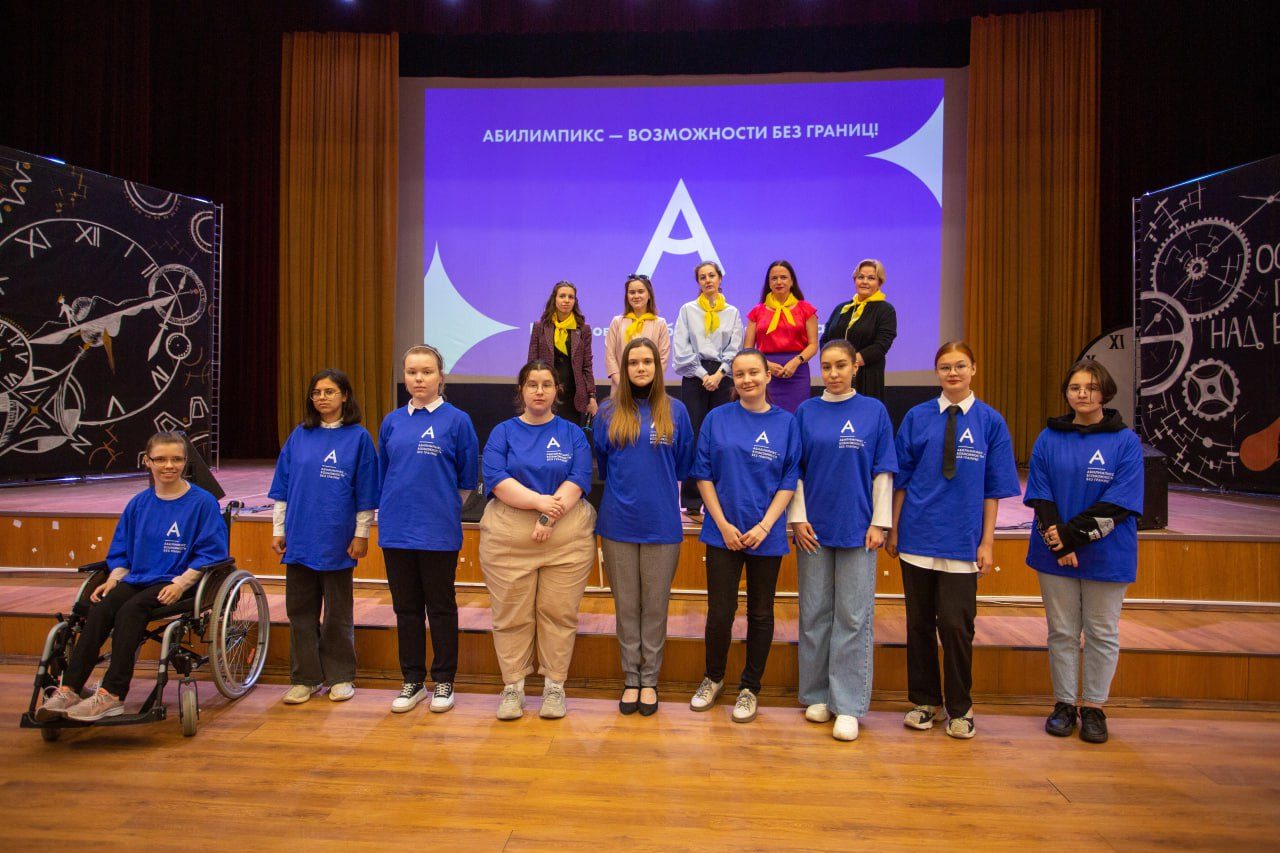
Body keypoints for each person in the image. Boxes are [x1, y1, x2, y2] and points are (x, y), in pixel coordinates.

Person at [37, 433, 228, 722]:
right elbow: (122, 549)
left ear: (186, 462)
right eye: (161, 459)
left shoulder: (202, 503)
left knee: (130, 611)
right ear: (147, 461)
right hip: (138, 578)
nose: (168, 465)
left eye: (176, 459)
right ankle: (70, 688)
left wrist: (181, 583)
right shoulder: (139, 504)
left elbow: (212, 553)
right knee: (101, 610)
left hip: (178, 581)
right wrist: (115, 578)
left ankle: (112, 695)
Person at [887, 341, 1019, 739]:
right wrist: (894, 528)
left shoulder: (991, 422)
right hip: (917, 536)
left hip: (962, 539)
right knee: (919, 624)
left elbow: (994, 489)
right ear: (936, 372)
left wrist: (988, 543)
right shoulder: (916, 416)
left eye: (961, 365)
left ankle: (961, 707)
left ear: (974, 369)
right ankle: (925, 701)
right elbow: (902, 478)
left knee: (958, 627)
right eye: (945, 367)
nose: (953, 373)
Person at [1025, 360, 1143, 744]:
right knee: (1060, 633)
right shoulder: (1049, 437)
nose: (1082, 394)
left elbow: (1120, 502)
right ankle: (1063, 705)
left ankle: (1093, 707)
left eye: (1090, 388)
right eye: (1075, 387)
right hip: (1054, 551)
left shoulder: (1125, 441)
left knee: (1101, 633)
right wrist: (1058, 542)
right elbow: (1040, 494)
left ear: (1104, 393)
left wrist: (1071, 538)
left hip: (1106, 554)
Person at [789, 340, 897, 741]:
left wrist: (880, 523)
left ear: (855, 366)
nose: (833, 373)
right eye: (827, 366)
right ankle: (817, 695)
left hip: (858, 527)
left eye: (841, 366)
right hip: (814, 528)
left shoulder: (874, 412)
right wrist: (797, 518)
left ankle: (848, 704)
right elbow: (794, 470)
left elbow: (883, 470)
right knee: (815, 612)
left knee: (853, 616)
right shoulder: (806, 411)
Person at [479, 360, 596, 721]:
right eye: (532, 385)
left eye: (547, 384)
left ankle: (554, 687)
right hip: (509, 536)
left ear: (557, 391)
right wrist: (537, 503)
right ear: (521, 391)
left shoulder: (572, 433)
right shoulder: (503, 432)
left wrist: (548, 514)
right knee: (510, 615)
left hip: (565, 535)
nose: (540, 391)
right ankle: (513, 687)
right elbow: (496, 477)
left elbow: (578, 476)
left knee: (558, 614)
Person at [689, 348, 801, 723]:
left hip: (764, 534)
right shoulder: (716, 419)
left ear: (768, 376)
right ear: (732, 380)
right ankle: (713, 677)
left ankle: (750, 687)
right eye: (739, 374)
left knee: (761, 613)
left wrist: (766, 525)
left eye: (754, 372)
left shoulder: (787, 424)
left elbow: (789, 478)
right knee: (720, 612)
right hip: (723, 532)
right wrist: (721, 524)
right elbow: (702, 473)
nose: (747, 379)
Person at [594, 337, 695, 716]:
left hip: (662, 525)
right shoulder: (607, 412)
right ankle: (630, 679)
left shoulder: (677, 411)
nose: (640, 368)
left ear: (657, 367)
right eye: (633, 362)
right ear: (624, 368)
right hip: (618, 524)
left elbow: (683, 465)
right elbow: (603, 464)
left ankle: (649, 680)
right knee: (626, 608)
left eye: (647, 362)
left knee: (654, 607)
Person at [377, 345, 479, 714]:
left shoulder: (457, 421)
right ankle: (412, 681)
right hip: (396, 530)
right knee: (406, 609)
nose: (418, 379)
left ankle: (444, 681)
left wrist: (440, 507)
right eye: (412, 372)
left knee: (439, 606)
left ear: (440, 377)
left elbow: (467, 480)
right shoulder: (391, 422)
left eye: (426, 372)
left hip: (437, 531)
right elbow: (384, 472)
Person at [270, 368, 380, 705]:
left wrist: (361, 534)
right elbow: (283, 487)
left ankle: (340, 676)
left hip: (336, 537)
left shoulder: (358, 437)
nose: (322, 398)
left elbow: (365, 490)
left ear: (345, 396)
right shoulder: (299, 436)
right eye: (317, 392)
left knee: (337, 613)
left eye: (330, 392)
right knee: (299, 612)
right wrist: (279, 529)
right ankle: (305, 678)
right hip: (300, 537)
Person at [672, 260, 743, 517]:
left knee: (721, 437)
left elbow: (735, 348)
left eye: (711, 275)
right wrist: (705, 375)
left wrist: (720, 374)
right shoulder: (687, 310)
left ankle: (721, 498)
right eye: (702, 277)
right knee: (694, 435)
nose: (708, 280)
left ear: (720, 278)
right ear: (698, 282)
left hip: (724, 376)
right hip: (695, 375)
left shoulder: (732, 312)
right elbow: (681, 348)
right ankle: (692, 499)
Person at [744, 260, 818, 412]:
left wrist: (796, 362)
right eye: (774, 278)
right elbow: (748, 348)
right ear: (769, 283)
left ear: (791, 281)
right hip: (765, 372)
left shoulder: (806, 309)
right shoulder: (756, 312)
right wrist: (766, 364)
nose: (779, 282)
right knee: (766, 415)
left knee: (797, 415)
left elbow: (813, 345)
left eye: (783, 277)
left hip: (797, 372)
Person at [819, 259, 899, 400]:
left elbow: (881, 346)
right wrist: (834, 362)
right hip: (837, 376)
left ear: (879, 283)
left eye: (871, 278)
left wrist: (848, 363)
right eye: (860, 277)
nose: (864, 282)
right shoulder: (841, 308)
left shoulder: (886, 310)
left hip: (867, 377)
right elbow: (825, 338)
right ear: (855, 280)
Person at [527, 280, 598, 427]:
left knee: (570, 436)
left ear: (574, 301)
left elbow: (587, 366)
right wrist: (529, 391)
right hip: (546, 392)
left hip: (574, 396)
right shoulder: (540, 327)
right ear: (555, 299)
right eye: (562, 296)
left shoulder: (583, 329)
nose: (566, 300)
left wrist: (591, 396)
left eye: (570, 297)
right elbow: (531, 364)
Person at [604, 274, 670, 389]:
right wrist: (621, 383)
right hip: (621, 388)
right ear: (627, 296)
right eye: (632, 292)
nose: (636, 296)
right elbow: (610, 355)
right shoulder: (617, 322)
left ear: (649, 295)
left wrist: (650, 382)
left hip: (651, 388)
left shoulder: (660, 323)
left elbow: (662, 358)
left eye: (640, 291)